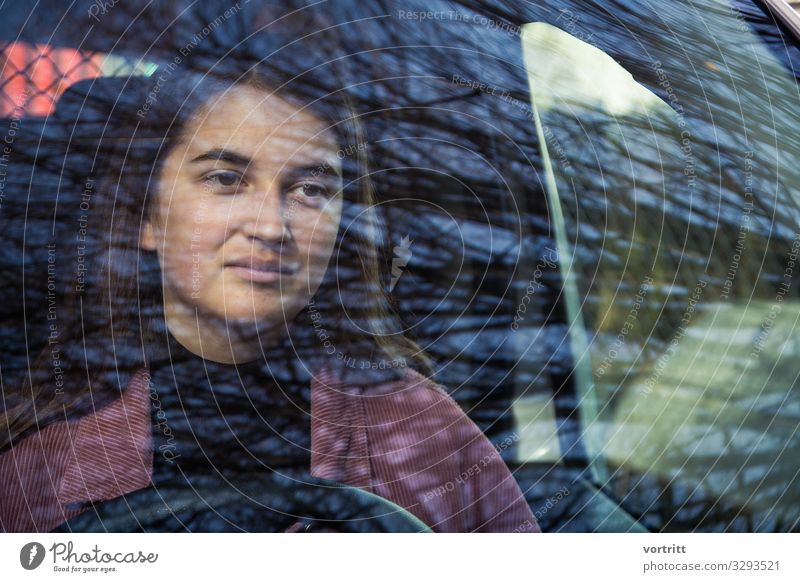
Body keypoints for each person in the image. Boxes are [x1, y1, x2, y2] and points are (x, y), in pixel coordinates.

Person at [0, 43, 539, 533]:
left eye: (310, 189)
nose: (270, 226)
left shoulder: (423, 433)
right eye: (225, 179)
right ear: (148, 217)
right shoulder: (41, 459)